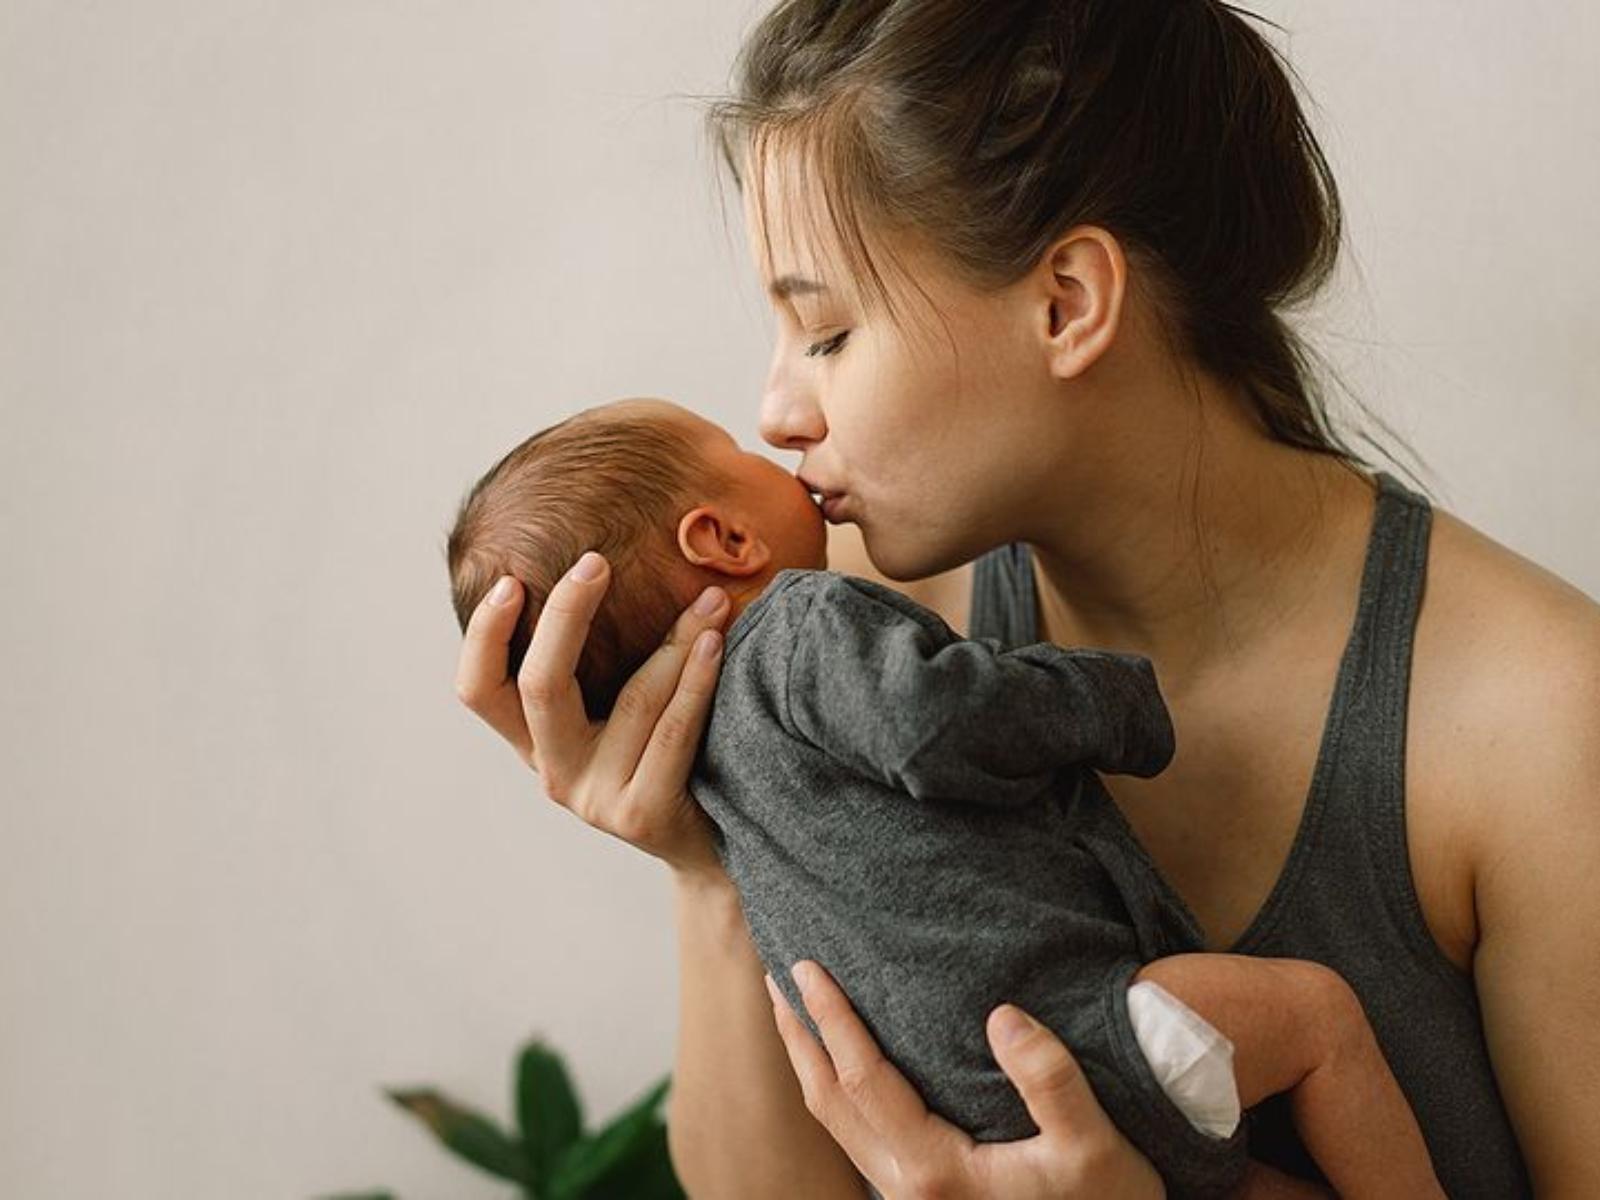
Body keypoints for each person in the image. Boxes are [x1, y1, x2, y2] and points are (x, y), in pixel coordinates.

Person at [453, 1, 1600, 1195]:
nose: (778, 414)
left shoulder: (1537, 717)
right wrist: (709, 861)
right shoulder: (860, 638)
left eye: (828, 331)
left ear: (1066, 303)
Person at [445, 396, 1443, 1198]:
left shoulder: (713, 772)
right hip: (1085, 1036)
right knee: (1314, 1019)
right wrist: (1110, 703)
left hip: (969, 1117)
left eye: (830, 339)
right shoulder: (801, 622)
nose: (776, 415)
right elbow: (935, 721)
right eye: (732, 444)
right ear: (722, 538)